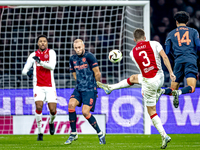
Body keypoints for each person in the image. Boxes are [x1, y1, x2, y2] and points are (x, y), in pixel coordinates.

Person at [98, 29, 176, 149]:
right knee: (134, 78)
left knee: (151, 111)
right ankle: (110, 87)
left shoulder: (132, 53)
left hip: (149, 82)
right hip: (160, 77)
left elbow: (143, 70)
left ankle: (164, 135)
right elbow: (165, 57)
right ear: (144, 37)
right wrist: (171, 73)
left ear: (134, 40)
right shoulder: (155, 43)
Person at [65, 39, 106, 145]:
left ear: (83, 46)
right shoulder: (72, 59)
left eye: (79, 47)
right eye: (76, 48)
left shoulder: (89, 57)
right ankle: (73, 133)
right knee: (71, 104)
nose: (78, 50)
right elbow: (74, 72)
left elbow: (97, 73)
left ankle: (100, 133)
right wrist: (79, 82)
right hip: (79, 88)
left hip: (90, 89)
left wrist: (96, 85)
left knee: (85, 112)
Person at [157, 11, 200, 108]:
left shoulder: (171, 34)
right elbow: (198, 46)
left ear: (176, 22)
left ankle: (162, 91)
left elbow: (167, 52)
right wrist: (195, 56)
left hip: (178, 62)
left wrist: (176, 56)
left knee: (172, 90)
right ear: (187, 22)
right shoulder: (194, 31)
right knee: (191, 87)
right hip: (191, 60)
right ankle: (180, 92)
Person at [22, 35, 57, 141]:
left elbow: (52, 66)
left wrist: (40, 62)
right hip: (38, 86)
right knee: (38, 106)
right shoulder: (33, 55)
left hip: (50, 86)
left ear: (47, 43)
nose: (42, 43)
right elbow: (24, 70)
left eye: (44, 41)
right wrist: (27, 73)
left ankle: (51, 122)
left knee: (52, 110)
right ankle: (40, 132)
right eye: (40, 41)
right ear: (38, 43)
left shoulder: (51, 53)